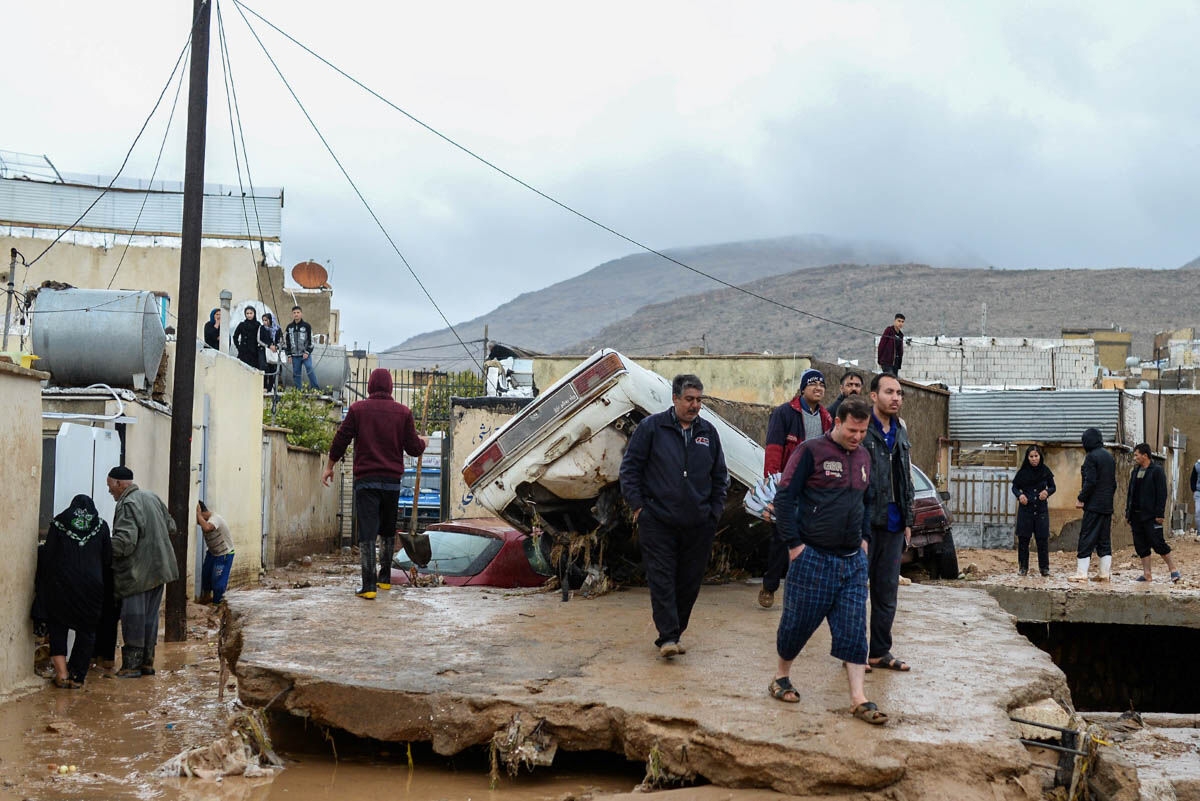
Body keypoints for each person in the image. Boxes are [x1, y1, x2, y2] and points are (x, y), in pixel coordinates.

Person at [768, 396, 887, 725]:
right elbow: (785, 496)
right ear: (837, 422)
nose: (857, 437)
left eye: (863, 431)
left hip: (851, 562)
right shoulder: (810, 451)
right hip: (812, 557)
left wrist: (864, 540)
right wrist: (793, 546)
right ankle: (781, 677)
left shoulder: (864, 456)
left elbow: (866, 500)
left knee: (853, 630)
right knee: (797, 624)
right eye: (852, 430)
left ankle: (858, 698)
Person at [619, 374, 729, 658]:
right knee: (662, 578)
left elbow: (720, 477)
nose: (695, 406)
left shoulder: (708, 433)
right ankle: (667, 636)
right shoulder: (651, 428)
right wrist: (639, 508)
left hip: (699, 523)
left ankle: (676, 632)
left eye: (699, 400)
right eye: (689, 399)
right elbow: (630, 470)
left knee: (690, 582)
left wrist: (714, 513)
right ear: (675, 398)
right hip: (657, 521)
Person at [323, 368, 426, 599]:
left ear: (369, 385)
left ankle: (368, 586)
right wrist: (423, 443)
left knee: (368, 531)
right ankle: (385, 580)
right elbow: (413, 448)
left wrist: (330, 466)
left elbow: (341, 438)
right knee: (388, 529)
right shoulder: (404, 412)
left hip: (366, 481)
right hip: (391, 483)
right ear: (390, 386)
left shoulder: (358, 410)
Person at [759, 369, 833, 608]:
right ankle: (769, 587)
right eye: (813, 384)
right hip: (788, 485)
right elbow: (773, 450)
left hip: (814, 488)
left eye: (821, 385)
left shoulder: (826, 419)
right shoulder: (784, 414)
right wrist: (772, 486)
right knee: (781, 537)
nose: (818, 388)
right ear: (802, 388)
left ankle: (805, 592)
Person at [861, 373, 914, 673]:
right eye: (889, 392)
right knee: (856, 591)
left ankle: (879, 652)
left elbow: (904, 475)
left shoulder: (902, 429)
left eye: (899, 393)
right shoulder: (861, 427)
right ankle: (853, 652)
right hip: (866, 523)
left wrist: (908, 517)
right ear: (873, 396)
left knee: (886, 592)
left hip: (894, 525)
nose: (895, 398)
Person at [31, 495, 113, 688]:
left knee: (58, 626)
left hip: (62, 584)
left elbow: (48, 555)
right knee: (87, 630)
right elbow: (108, 558)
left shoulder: (59, 523)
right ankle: (77, 676)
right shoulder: (101, 526)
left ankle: (62, 674)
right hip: (92, 586)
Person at [107, 466, 179, 677]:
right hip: (159, 571)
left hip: (137, 573)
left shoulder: (127, 504)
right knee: (150, 618)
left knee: (133, 618)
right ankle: (147, 663)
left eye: (110, 486)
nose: (110, 491)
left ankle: (131, 666)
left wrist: (100, 546)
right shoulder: (152, 497)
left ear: (120, 484)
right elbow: (171, 526)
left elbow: (125, 543)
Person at [1125, 443, 1181, 583]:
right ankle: (1147, 574)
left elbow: (1162, 493)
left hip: (1151, 515)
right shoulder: (1135, 471)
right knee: (1141, 545)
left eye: (1137, 455)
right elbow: (1130, 493)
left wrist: (1160, 514)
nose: (1135, 457)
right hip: (1136, 516)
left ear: (1145, 455)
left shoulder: (1157, 471)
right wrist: (1128, 513)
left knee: (1158, 543)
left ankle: (1173, 570)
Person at [1069, 428, 1116, 583]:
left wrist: (1081, 498)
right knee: (1104, 539)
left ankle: (1081, 573)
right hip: (1107, 506)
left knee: (1086, 537)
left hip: (1094, 506)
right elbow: (1113, 484)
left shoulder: (1091, 457)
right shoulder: (1109, 457)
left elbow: (1091, 482)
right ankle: (1104, 574)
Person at [1012, 445, 1055, 577]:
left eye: (1036, 456)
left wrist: (1047, 492)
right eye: (1031, 456)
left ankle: (1044, 568)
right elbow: (1014, 487)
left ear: (1040, 456)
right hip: (1026, 510)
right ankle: (1023, 568)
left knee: (1042, 540)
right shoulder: (1022, 472)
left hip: (1041, 510)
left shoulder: (1045, 471)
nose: (1034, 459)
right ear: (1027, 457)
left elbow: (1053, 486)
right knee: (1024, 540)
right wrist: (1020, 495)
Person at [196, 501, 236, 603]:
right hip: (212, 553)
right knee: (206, 576)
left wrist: (198, 515)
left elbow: (207, 527)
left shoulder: (215, 518)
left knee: (218, 582)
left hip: (224, 554)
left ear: (202, 512)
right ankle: (206, 599)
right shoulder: (204, 519)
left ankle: (217, 604)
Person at [286, 306, 320, 390]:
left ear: (301, 314)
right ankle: (299, 390)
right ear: (292, 314)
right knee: (296, 373)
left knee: (309, 367)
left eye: (298, 312)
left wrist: (307, 352)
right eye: (294, 313)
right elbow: (287, 342)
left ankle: (315, 388)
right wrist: (289, 355)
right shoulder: (289, 327)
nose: (296, 314)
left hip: (305, 354)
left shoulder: (307, 326)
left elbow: (311, 341)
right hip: (294, 355)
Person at [259, 312, 284, 391]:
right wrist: (269, 346)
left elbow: (281, 340)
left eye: (266, 320)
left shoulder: (277, 329)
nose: (264, 322)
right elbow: (259, 340)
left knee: (274, 368)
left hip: (274, 351)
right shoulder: (262, 328)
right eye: (263, 320)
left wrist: (276, 346)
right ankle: (264, 386)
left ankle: (271, 386)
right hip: (264, 350)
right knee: (265, 368)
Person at [232, 306, 262, 371]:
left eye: (251, 313)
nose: (249, 315)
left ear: (254, 313)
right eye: (247, 313)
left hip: (254, 352)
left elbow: (261, 337)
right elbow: (235, 336)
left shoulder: (258, 324)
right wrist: (238, 347)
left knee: (254, 371)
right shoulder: (242, 324)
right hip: (243, 352)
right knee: (243, 370)